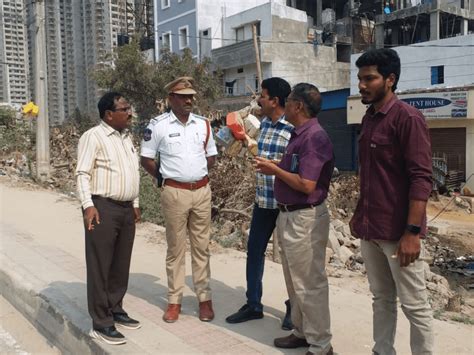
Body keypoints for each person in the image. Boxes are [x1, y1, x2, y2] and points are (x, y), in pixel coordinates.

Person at [350, 48, 434, 355]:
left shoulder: (408, 119)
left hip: (399, 235)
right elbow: (372, 176)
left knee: (415, 305)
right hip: (371, 230)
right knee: (381, 298)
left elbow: (421, 178)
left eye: (369, 78)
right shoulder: (370, 118)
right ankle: (382, 351)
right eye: (360, 78)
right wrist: (359, 217)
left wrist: (412, 233)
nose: (361, 85)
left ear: (390, 79)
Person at [255, 83, 334, 355]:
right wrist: (277, 165)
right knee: (294, 281)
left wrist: (273, 169)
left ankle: (321, 345)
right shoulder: (299, 135)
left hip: (305, 219)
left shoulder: (314, 137)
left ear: (298, 106)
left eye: (288, 101)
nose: (283, 106)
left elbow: (306, 184)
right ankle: (301, 332)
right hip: (289, 215)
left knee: (309, 284)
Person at [140, 77, 218, 323]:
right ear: (171, 98)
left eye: (191, 96)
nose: (189, 100)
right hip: (174, 193)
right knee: (175, 249)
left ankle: (204, 299)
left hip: (202, 192)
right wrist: (165, 179)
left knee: (202, 248)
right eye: (183, 96)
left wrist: (195, 175)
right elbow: (147, 159)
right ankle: (174, 301)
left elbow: (211, 158)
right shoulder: (158, 125)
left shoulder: (203, 125)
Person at [225, 77, 294, 329]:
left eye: (262, 96)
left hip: (287, 205)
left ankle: (294, 307)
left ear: (275, 101)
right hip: (263, 202)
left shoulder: (293, 129)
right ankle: (253, 304)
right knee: (254, 251)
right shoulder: (262, 125)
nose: (259, 100)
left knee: (290, 258)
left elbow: (298, 169)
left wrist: (273, 167)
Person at [76, 92, 141, 345]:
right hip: (102, 207)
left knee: (120, 264)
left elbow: (131, 171)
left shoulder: (126, 137)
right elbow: (82, 173)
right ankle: (101, 322)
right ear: (109, 114)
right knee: (100, 266)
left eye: (129, 107)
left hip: (125, 209)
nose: (130, 112)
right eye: (125, 108)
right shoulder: (93, 137)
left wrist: (135, 203)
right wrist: (88, 206)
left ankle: (116, 308)